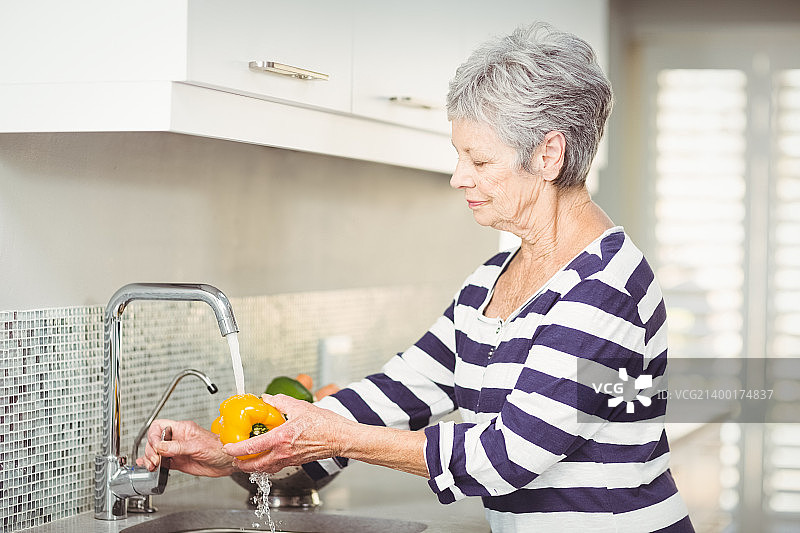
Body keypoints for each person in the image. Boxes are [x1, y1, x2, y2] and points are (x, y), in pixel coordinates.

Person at [139, 22, 694, 532]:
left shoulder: (606, 288)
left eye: (478, 160)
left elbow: (503, 458)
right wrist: (233, 448)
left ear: (549, 154)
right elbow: (400, 391)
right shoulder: (494, 278)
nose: (458, 177)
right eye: (459, 155)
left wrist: (335, 438)